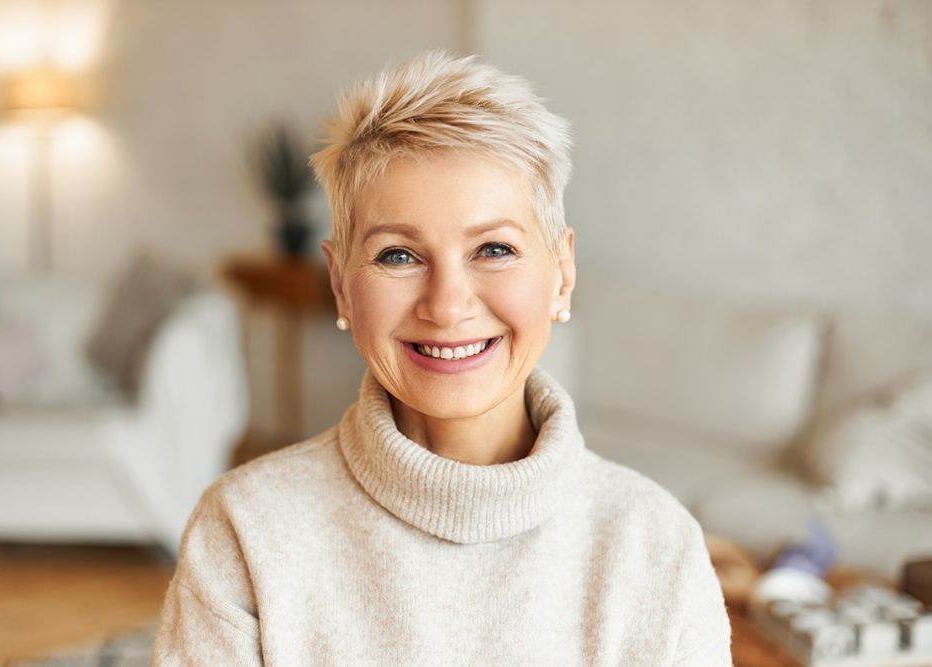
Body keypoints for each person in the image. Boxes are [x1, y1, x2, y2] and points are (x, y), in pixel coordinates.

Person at [154, 50, 732, 665]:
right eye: (398, 256)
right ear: (341, 284)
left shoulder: (657, 545)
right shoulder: (245, 532)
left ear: (562, 274)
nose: (447, 304)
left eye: (494, 248)